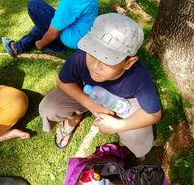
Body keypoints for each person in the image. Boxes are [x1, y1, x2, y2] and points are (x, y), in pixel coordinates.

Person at [39, 13, 162, 158]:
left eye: (107, 59)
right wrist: (90, 104)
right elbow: (62, 81)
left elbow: (154, 114)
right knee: (48, 108)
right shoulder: (82, 57)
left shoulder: (138, 77)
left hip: (124, 102)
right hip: (88, 91)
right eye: (93, 53)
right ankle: (74, 116)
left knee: (140, 145)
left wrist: (118, 125)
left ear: (128, 62)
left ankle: (127, 152)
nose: (96, 66)